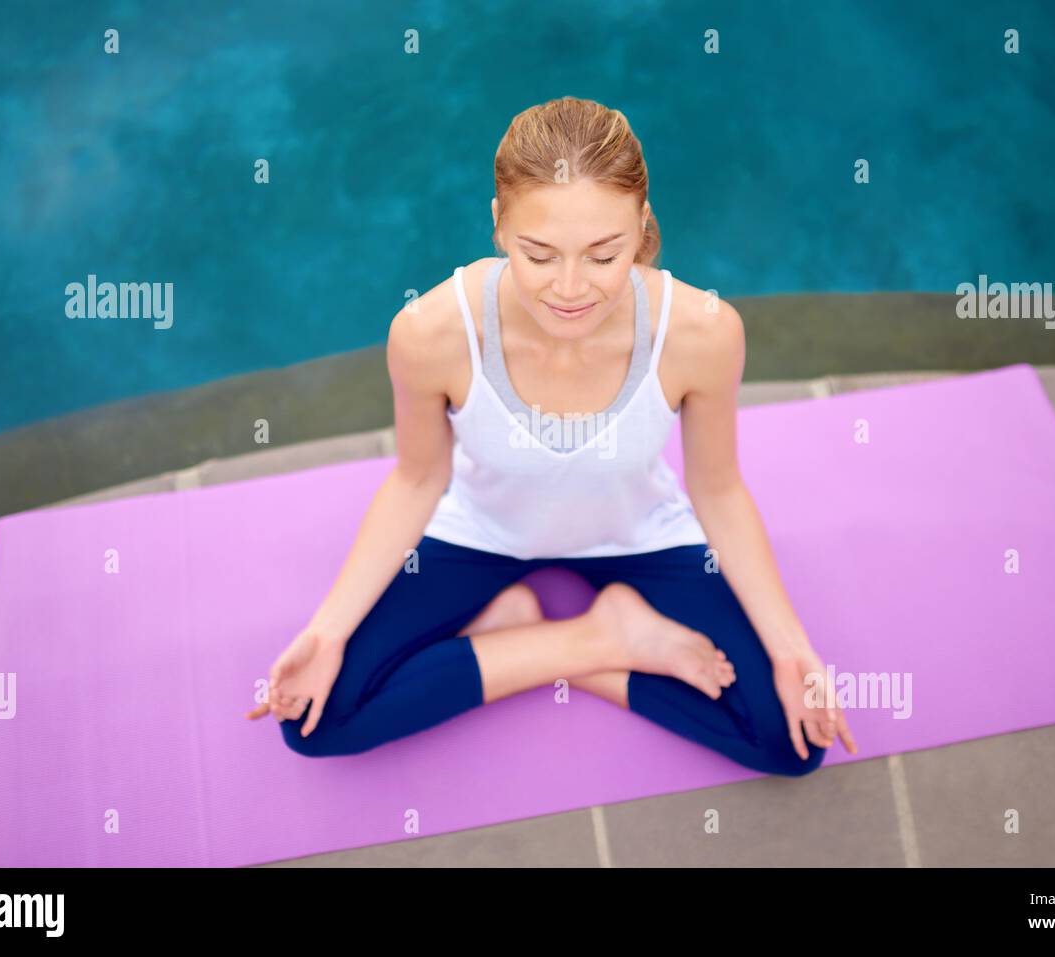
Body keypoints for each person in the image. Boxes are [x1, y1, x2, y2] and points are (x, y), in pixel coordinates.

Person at [246, 96, 856, 775]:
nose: (571, 289)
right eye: (539, 254)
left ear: (642, 227)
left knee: (791, 741)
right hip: (483, 534)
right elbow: (418, 478)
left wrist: (791, 646)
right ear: (500, 225)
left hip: (639, 535)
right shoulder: (431, 332)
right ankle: (595, 639)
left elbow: (718, 488)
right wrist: (326, 631)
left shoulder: (703, 331)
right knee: (313, 716)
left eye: (604, 255)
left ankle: (522, 642)